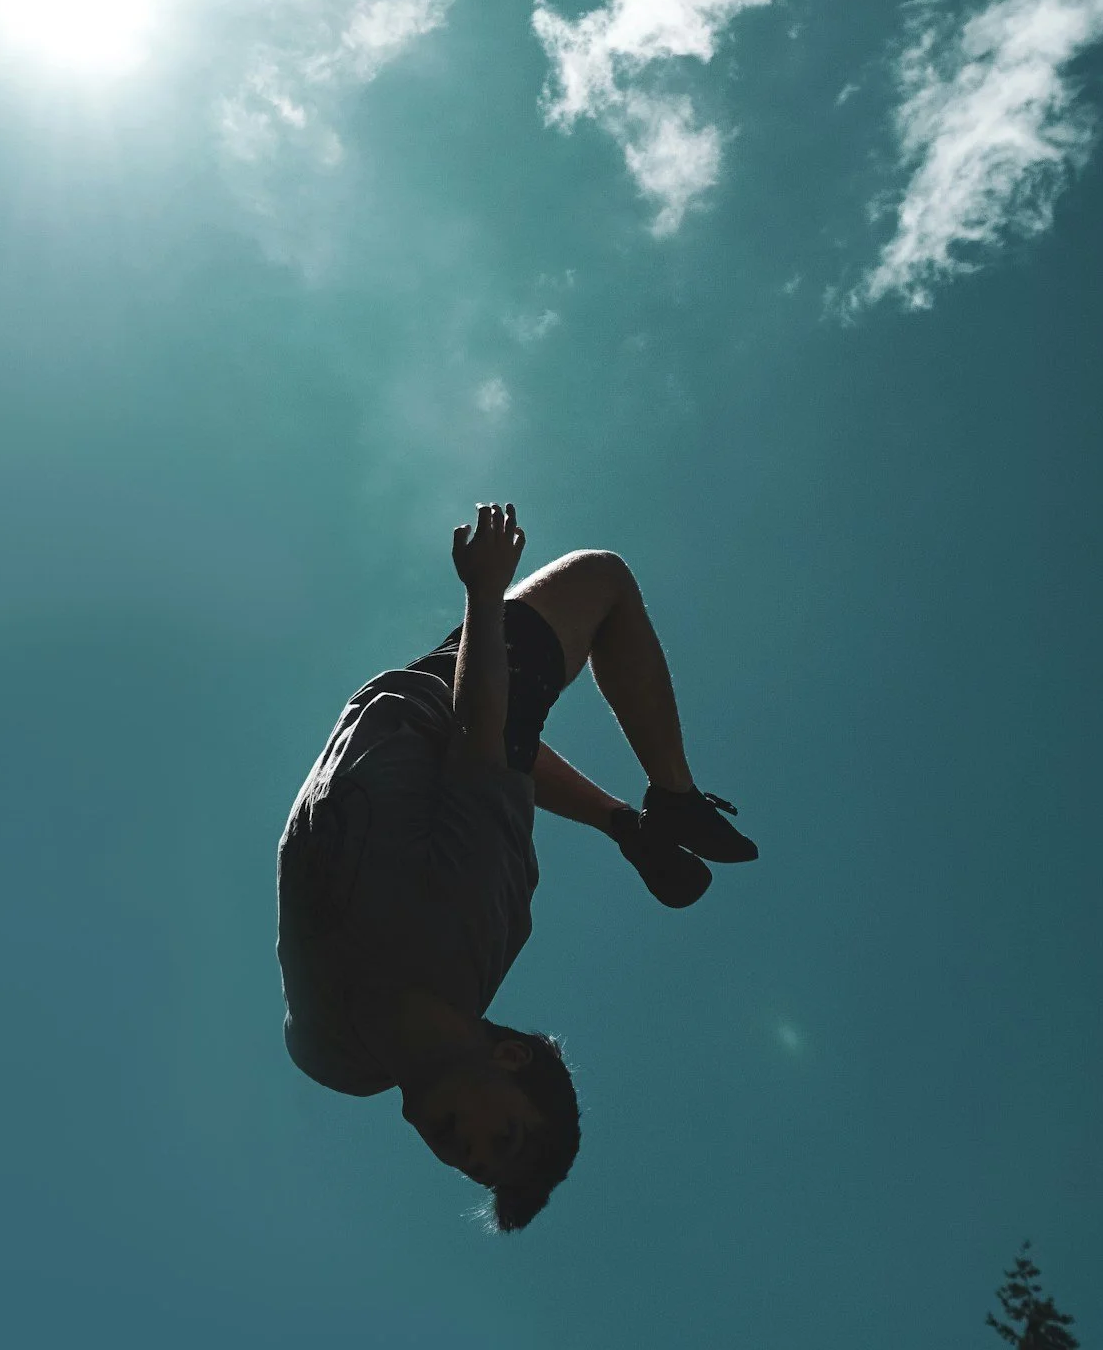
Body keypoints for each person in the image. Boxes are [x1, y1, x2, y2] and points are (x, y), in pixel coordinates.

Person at [276, 504, 757, 1232]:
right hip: (450, 700)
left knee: (495, 756)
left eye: (475, 1167)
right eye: (502, 1137)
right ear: (507, 1058)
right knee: (600, 578)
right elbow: (484, 734)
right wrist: (483, 593)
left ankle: (630, 825)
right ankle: (674, 798)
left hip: (425, 738)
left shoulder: (334, 1059)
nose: (468, 1152)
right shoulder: (464, 920)